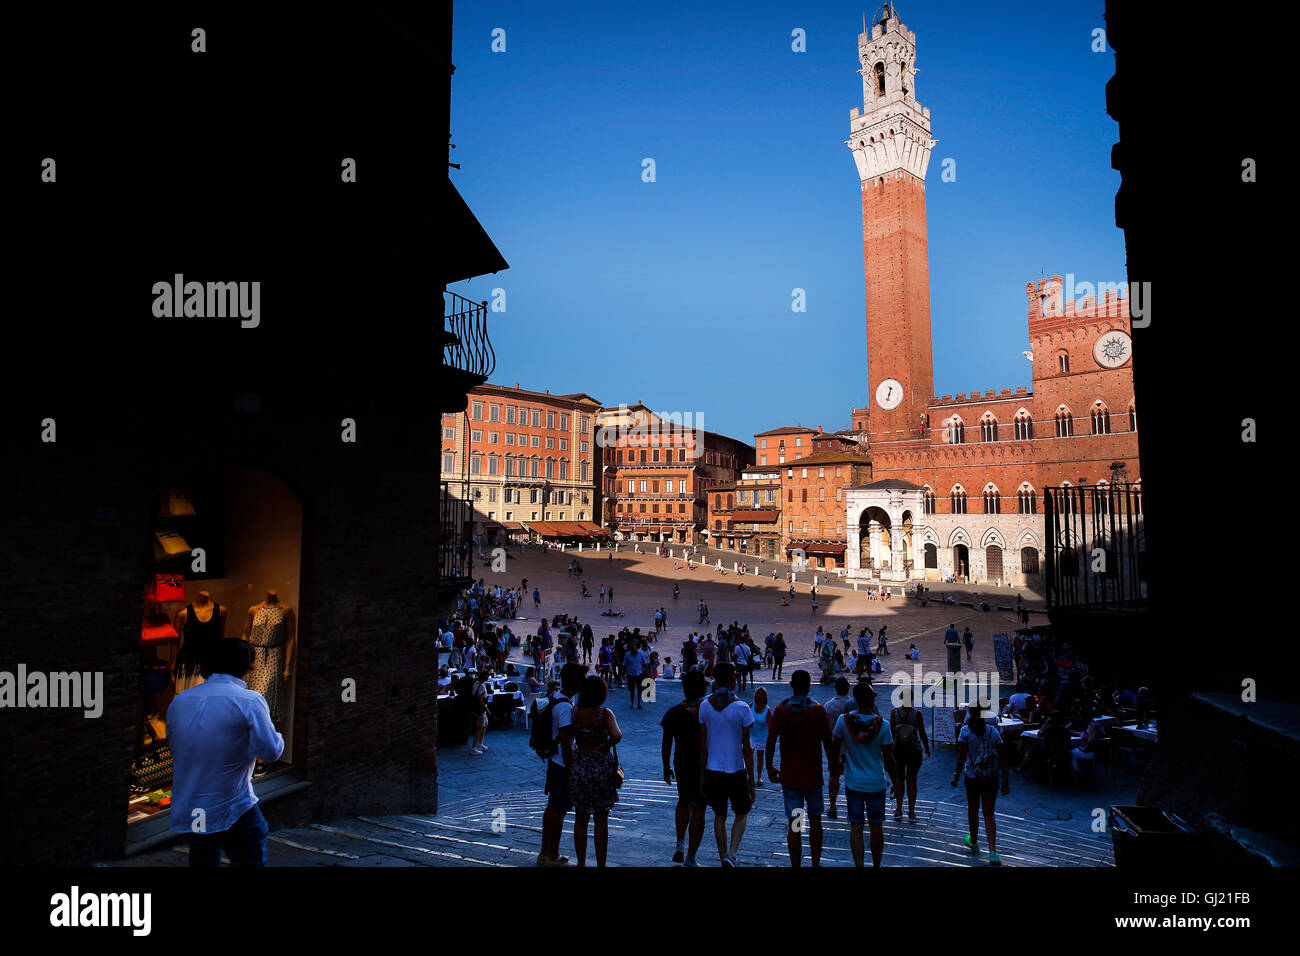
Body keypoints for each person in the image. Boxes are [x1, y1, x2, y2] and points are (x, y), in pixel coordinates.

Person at [168, 639, 285, 867]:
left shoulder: (180, 701)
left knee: (202, 859)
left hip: (191, 805)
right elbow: (271, 752)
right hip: (232, 806)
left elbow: (179, 747)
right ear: (245, 666)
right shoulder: (250, 701)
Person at [766, 670, 835, 867]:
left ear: (791, 685)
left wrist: (770, 766)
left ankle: (796, 864)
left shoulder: (781, 710)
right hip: (813, 777)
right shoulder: (818, 711)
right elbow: (828, 743)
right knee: (815, 821)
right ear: (809, 686)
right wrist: (834, 771)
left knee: (795, 824)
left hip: (790, 777)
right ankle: (815, 863)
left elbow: (771, 741)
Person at [831, 682, 896, 868]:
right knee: (877, 827)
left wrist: (835, 773)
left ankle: (859, 864)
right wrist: (897, 781)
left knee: (856, 827)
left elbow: (835, 749)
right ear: (870, 699)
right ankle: (876, 865)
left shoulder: (843, 721)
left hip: (853, 782)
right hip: (876, 782)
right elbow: (889, 758)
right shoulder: (882, 725)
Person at [698, 662, 755, 867]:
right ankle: (732, 853)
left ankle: (723, 854)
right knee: (742, 812)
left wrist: (703, 775)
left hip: (713, 768)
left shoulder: (704, 705)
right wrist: (752, 779)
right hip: (736, 769)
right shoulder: (742, 708)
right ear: (731, 679)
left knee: (719, 815)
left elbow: (702, 746)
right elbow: (747, 748)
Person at [569, 675, 623, 866]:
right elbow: (617, 735)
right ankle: (601, 863)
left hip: (580, 764)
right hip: (601, 767)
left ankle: (581, 862)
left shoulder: (575, 712)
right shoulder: (604, 713)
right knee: (601, 819)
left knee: (580, 818)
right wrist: (604, 745)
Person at [539, 663, 585, 866]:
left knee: (554, 808)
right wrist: (572, 767)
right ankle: (550, 854)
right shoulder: (566, 706)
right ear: (575, 681)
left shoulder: (557, 698)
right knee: (558, 810)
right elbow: (566, 741)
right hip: (562, 764)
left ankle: (547, 852)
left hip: (555, 762)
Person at [661, 669, 709, 865]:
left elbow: (666, 743)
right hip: (704, 765)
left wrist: (665, 767)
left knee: (683, 801)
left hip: (681, 762)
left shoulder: (673, 712)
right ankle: (691, 856)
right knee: (699, 809)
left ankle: (680, 842)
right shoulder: (708, 711)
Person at [952, 704, 1009, 864]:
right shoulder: (993, 731)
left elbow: (961, 756)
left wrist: (956, 776)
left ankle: (974, 842)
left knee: (973, 809)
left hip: (972, 775)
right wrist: (1005, 779)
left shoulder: (965, 731)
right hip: (990, 776)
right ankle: (992, 851)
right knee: (989, 813)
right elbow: (1003, 757)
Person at [889, 687, 930, 821]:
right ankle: (911, 811)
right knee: (912, 780)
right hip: (914, 750)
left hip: (898, 750)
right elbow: (922, 733)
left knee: (899, 780)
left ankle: (899, 809)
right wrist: (927, 748)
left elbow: (891, 733)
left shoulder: (894, 713)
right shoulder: (917, 714)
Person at [822, 677, 854, 818]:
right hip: (852, 747)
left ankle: (833, 806)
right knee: (852, 777)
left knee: (833, 776)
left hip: (835, 747)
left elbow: (826, 730)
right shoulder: (854, 704)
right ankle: (852, 805)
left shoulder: (828, 706)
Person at [749, 688, 771, 787]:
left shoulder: (767, 710)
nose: (760, 696)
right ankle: (750, 776)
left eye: (762, 694)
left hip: (762, 736)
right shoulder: (750, 706)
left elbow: (770, 726)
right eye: (758, 694)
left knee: (760, 757)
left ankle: (759, 777)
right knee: (749, 756)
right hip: (751, 735)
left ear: (765, 697)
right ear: (755, 695)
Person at [469, 669, 491, 754]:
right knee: (479, 727)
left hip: (478, 709)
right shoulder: (482, 686)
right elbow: (480, 699)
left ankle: (480, 743)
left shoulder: (476, 683)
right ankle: (473, 747)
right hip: (480, 709)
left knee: (484, 725)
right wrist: (487, 709)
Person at [624, 639, 649, 708]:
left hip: (639, 674)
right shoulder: (627, 655)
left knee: (639, 689)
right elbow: (625, 665)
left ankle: (638, 703)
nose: (633, 650)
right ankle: (632, 703)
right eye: (632, 648)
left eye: (634, 648)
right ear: (630, 649)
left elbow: (645, 663)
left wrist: (646, 672)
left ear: (636, 648)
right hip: (630, 674)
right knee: (631, 690)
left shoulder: (640, 654)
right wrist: (625, 674)